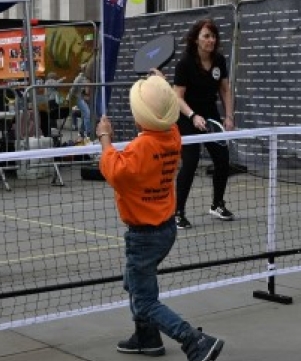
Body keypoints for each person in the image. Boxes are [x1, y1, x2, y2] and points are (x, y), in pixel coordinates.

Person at [96, 72, 225, 361]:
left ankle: (194, 340)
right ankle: (147, 338)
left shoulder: (141, 147)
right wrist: (163, 86)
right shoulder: (172, 135)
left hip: (144, 234)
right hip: (165, 229)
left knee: (144, 300)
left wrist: (104, 137)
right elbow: (172, 113)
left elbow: (114, 171)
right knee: (134, 281)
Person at [173, 19, 235, 229]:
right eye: (206, 36)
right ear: (196, 39)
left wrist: (228, 116)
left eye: (213, 36)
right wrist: (192, 116)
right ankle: (178, 212)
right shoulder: (185, 63)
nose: (211, 40)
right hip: (187, 116)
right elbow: (177, 97)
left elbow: (225, 90)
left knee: (223, 159)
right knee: (190, 162)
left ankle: (217, 204)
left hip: (210, 115)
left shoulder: (219, 60)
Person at [67, 64, 91, 138]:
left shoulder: (88, 77)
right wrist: (68, 98)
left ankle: (81, 132)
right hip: (78, 98)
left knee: (84, 115)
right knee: (87, 113)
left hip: (84, 98)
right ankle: (88, 132)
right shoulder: (79, 78)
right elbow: (73, 88)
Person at [43, 71, 65, 136]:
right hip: (52, 100)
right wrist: (62, 79)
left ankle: (53, 127)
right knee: (53, 114)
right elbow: (56, 84)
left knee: (52, 114)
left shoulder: (48, 81)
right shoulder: (50, 81)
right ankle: (53, 128)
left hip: (50, 99)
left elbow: (55, 83)